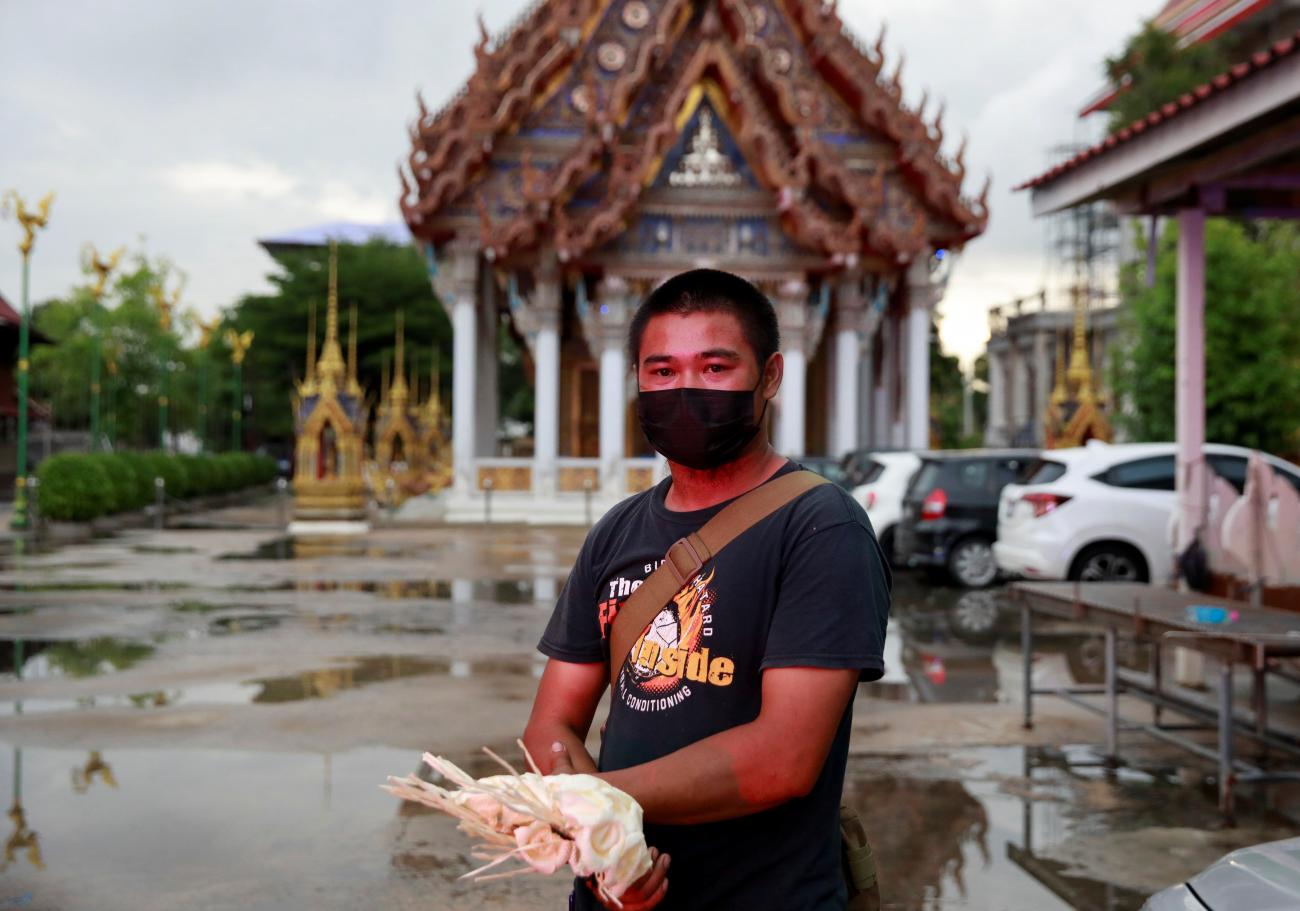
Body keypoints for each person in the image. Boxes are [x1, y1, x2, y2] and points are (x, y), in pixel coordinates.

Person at [523, 268, 891, 910]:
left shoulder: (820, 526)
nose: (685, 389)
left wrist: (603, 801)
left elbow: (784, 758)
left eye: (715, 368)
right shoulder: (619, 530)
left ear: (770, 376)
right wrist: (606, 848)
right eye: (661, 372)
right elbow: (552, 720)